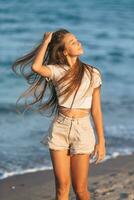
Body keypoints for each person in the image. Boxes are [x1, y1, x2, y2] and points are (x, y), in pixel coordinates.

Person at [12, 28, 106, 200]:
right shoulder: (56, 71)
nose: (78, 43)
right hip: (60, 129)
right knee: (62, 188)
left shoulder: (93, 73)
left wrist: (101, 141)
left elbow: (96, 110)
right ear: (64, 51)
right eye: (72, 42)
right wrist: (45, 42)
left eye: (77, 40)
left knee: (81, 190)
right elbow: (36, 67)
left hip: (83, 130)